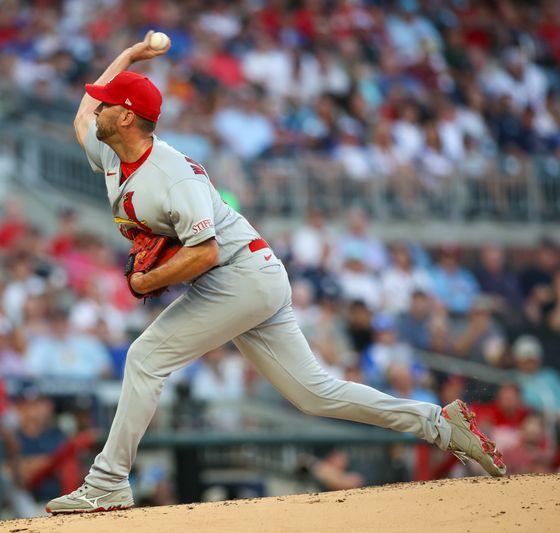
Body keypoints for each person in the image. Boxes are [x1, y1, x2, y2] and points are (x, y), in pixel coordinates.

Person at [45, 32, 506, 514]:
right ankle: (439, 424)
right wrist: (131, 56)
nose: (93, 111)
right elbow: (80, 114)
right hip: (248, 277)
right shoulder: (111, 151)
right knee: (314, 394)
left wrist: (144, 282)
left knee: (145, 358)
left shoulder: (172, 176)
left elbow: (204, 252)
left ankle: (108, 483)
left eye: (105, 105)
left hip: (239, 274)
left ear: (125, 117)